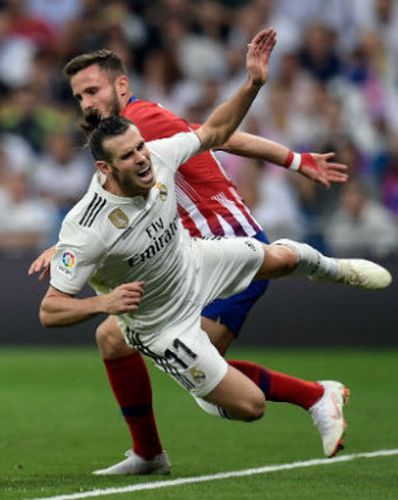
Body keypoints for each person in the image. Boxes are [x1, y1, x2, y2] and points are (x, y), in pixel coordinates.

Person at [37, 28, 392, 474]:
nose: (86, 103)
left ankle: (315, 387)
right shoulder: (126, 135)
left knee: (206, 373)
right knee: (122, 341)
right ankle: (151, 452)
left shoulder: (142, 125)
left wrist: (291, 156)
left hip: (215, 235)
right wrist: (295, 160)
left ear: (121, 86)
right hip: (182, 252)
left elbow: (219, 133)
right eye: (79, 96)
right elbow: (114, 203)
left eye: (92, 91)